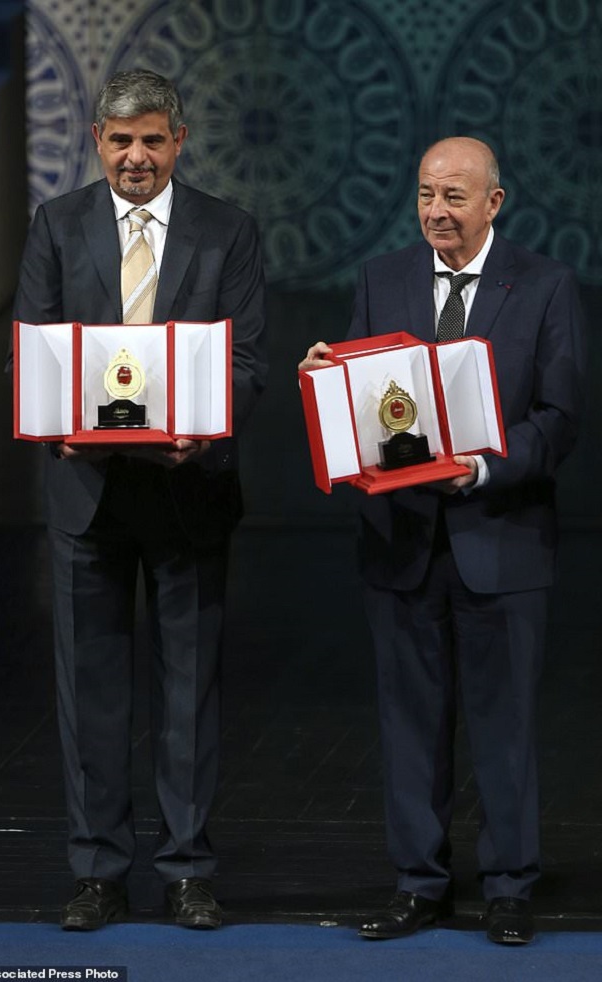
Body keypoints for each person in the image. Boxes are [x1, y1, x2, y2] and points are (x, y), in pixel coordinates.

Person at [300, 137, 585, 945]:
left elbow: (559, 421)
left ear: (495, 203)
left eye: (455, 197)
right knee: (409, 725)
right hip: (402, 543)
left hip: (503, 538)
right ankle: (419, 884)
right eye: (427, 194)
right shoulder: (380, 279)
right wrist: (325, 378)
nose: (436, 212)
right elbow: (362, 407)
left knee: (504, 726)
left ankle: (508, 888)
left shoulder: (546, 286)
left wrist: (485, 470)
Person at [13, 70, 266, 931]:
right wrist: (55, 425)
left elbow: (247, 364)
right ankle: (97, 873)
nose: (136, 158)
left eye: (152, 141)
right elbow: (30, 355)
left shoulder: (227, 231)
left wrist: (206, 425)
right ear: (96, 142)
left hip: (187, 490)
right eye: (121, 142)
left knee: (188, 694)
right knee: (91, 693)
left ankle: (189, 869)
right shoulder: (56, 224)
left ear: (179, 143)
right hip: (88, 495)